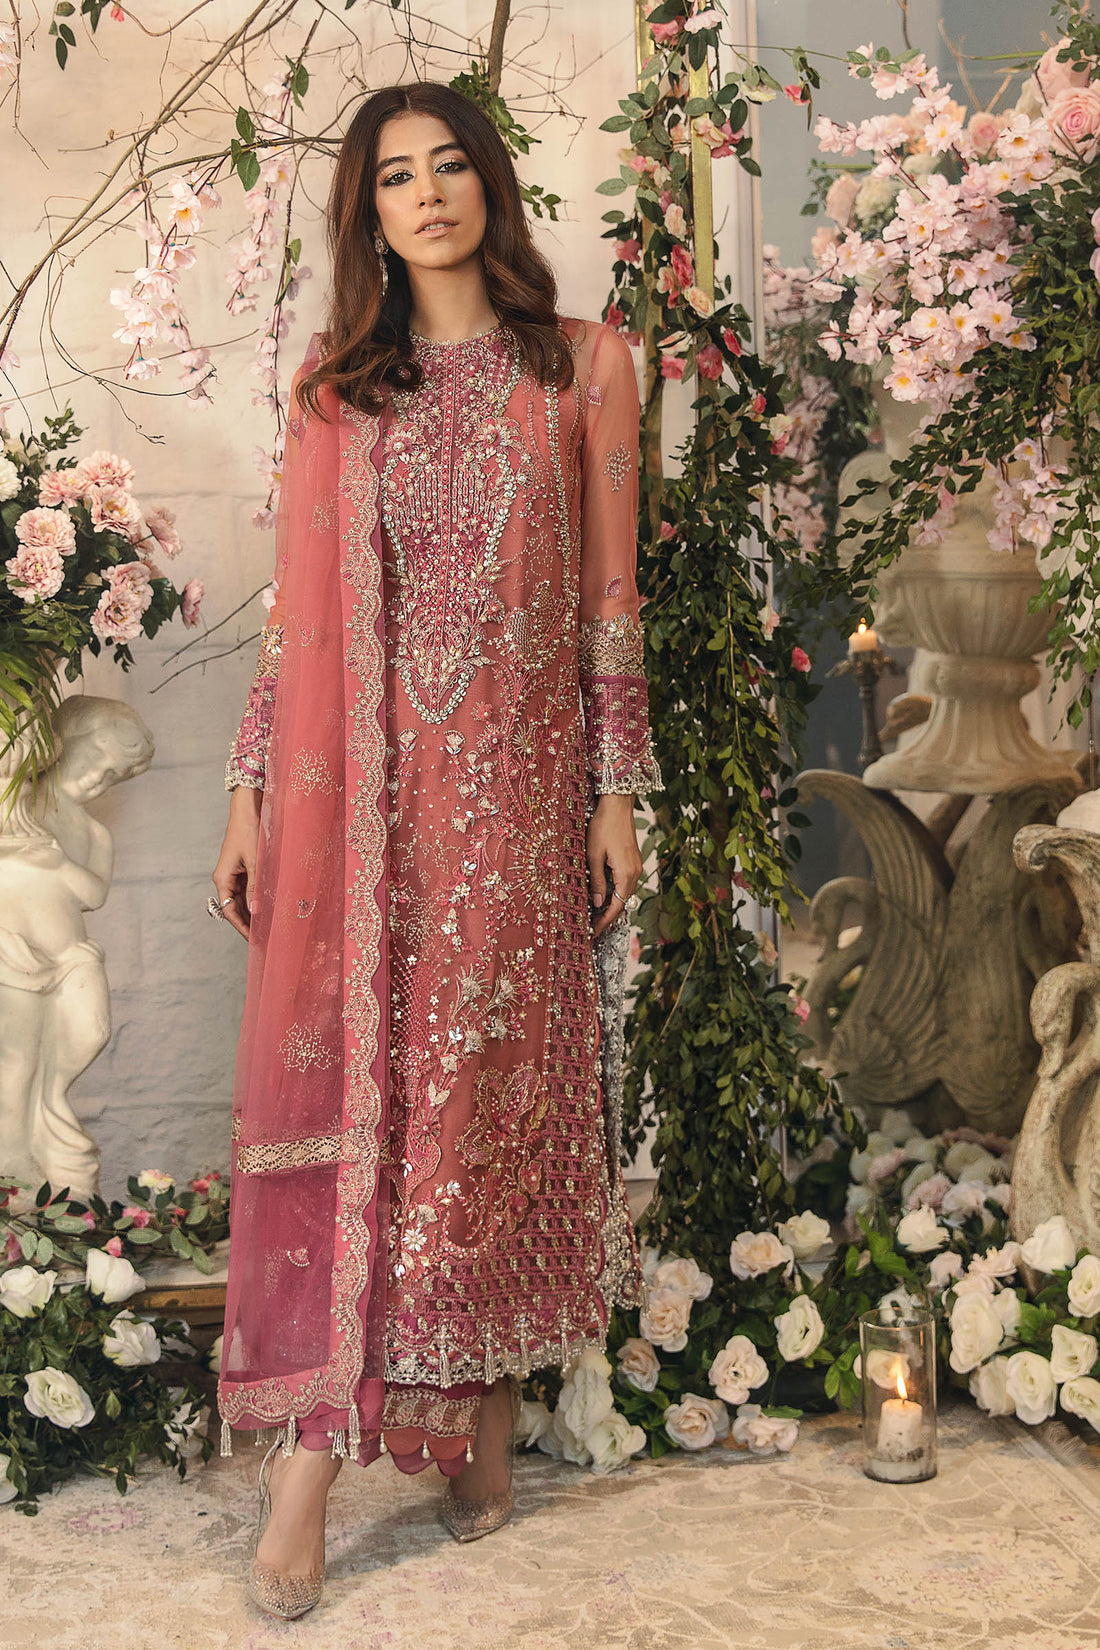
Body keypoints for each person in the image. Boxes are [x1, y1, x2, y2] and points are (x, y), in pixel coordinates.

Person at [210, 79, 662, 1619]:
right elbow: (295, 623)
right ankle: (310, 1467)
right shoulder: (338, 393)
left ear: (490, 186)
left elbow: (611, 602)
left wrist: (616, 791)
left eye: (450, 165)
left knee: (481, 1106)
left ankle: (481, 1394)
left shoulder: (586, 368)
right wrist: (250, 790)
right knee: (375, 1107)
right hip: (370, 815)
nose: (427, 194)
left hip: (519, 809)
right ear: (372, 216)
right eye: (396, 177)